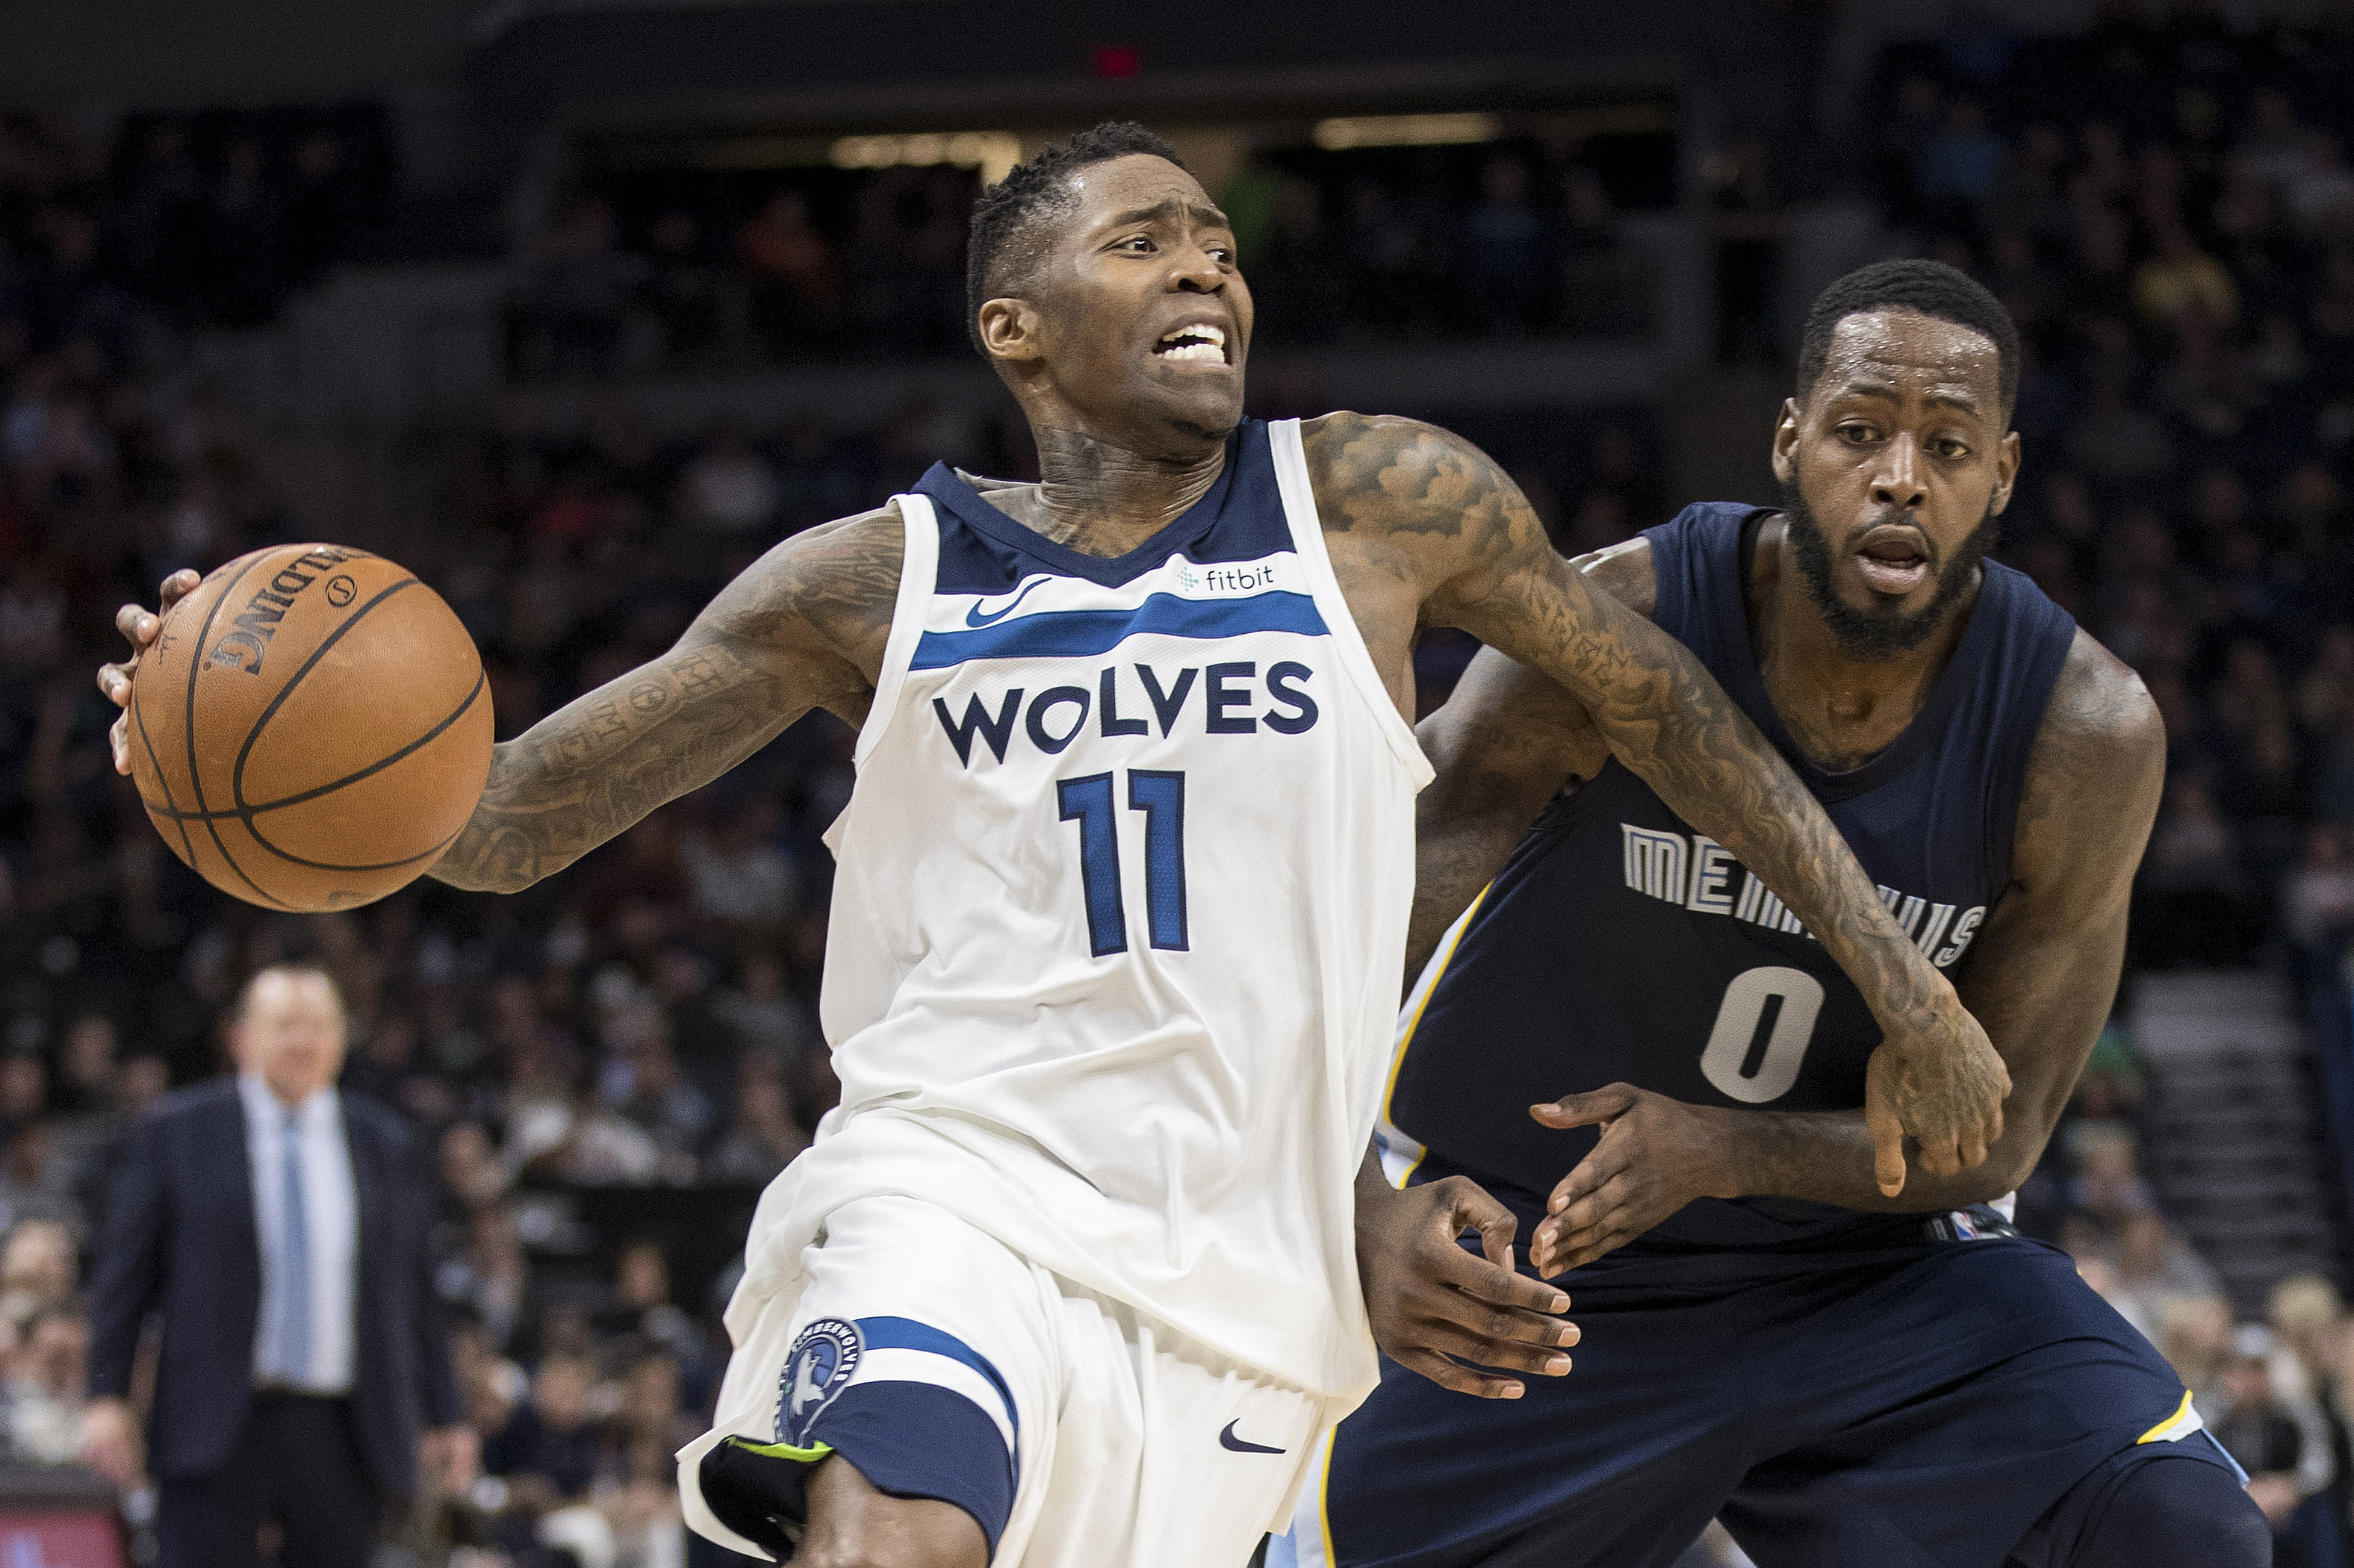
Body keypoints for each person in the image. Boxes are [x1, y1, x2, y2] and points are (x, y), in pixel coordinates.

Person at [103, 127, 2002, 1568]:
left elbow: (1672, 713)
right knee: (905, 1509)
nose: (1208, 272)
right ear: (1015, 325)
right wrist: (221, 750)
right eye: (1144, 241)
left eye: (1220, 245)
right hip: (956, 1199)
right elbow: (503, 822)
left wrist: (1905, 990)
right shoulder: (869, 580)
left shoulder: (1380, 504)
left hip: (1250, 1302)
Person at [1298, 261, 2268, 1568]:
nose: (1900, 477)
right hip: (1534, 1258)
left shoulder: (2079, 736)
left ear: (2005, 474)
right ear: (1789, 440)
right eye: (1862, 432)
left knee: (2175, 1523)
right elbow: (1346, 939)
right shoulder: (1619, 624)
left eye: (1948, 445)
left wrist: (1728, 1151)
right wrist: (1358, 1207)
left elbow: (2002, 1136)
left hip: (1872, 1277)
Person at [78, 965, 476, 1567]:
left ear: (341, 1039)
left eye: (319, 1027)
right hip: (214, 1417)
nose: (303, 1042)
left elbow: (417, 1293)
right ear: (242, 1037)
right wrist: (104, 1395)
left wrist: (447, 1413)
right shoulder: (178, 1131)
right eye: (285, 1026)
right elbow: (124, 1278)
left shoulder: (386, 1142)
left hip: (345, 1425)